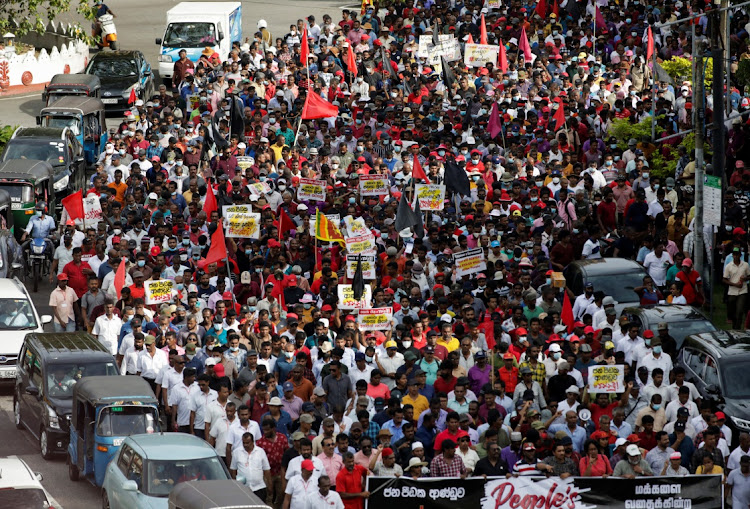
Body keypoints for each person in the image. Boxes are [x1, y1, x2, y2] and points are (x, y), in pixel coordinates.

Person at [230, 432, 271, 501]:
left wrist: (270, 485)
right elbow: (233, 470)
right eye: (244, 443)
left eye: (247, 443)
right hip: (243, 488)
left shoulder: (260, 452)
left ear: (252, 442)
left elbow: (266, 470)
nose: (245, 445)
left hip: (259, 488)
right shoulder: (236, 452)